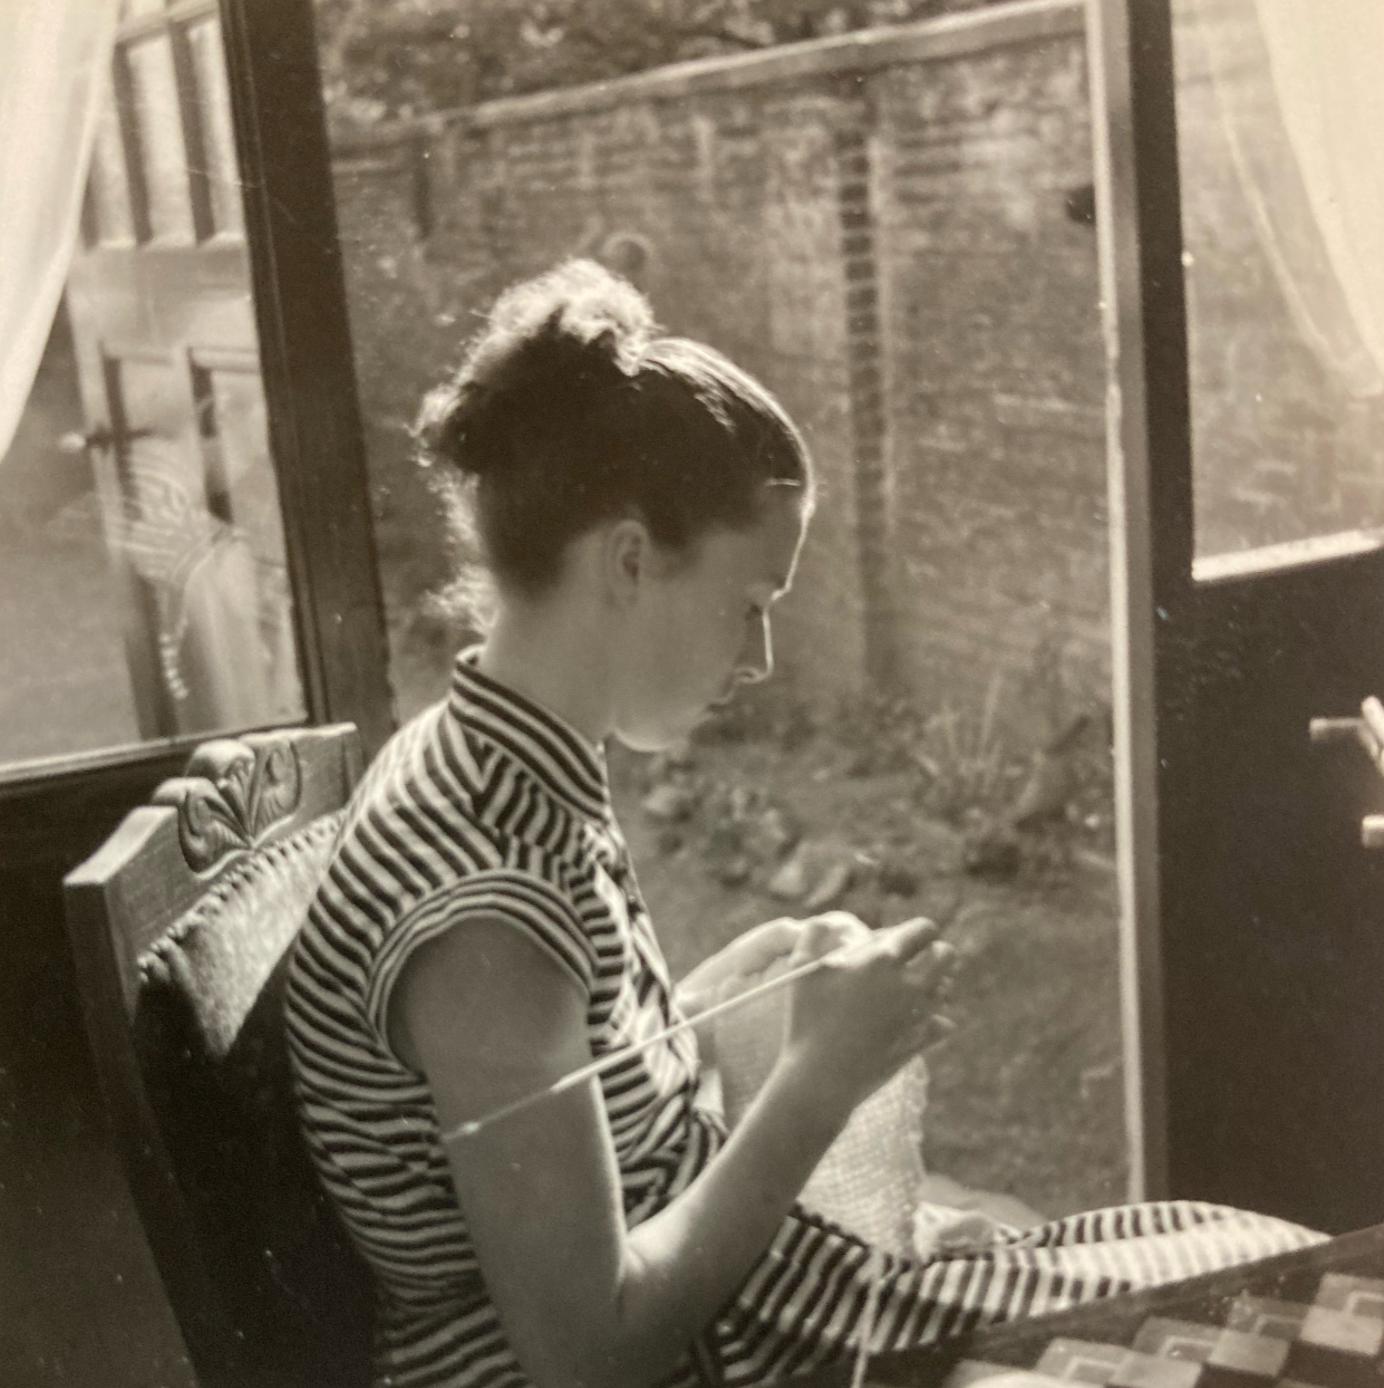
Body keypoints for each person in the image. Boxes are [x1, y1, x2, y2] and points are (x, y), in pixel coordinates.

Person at [284, 260, 1320, 1388]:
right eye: (753, 604)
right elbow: (589, 1351)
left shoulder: (492, 760)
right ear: (628, 559)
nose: (762, 658)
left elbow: (576, 1103)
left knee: (1258, 1262)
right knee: (1288, 1335)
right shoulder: (484, 899)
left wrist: (734, 993)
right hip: (693, 1364)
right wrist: (817, 1079)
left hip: (754, 1319)